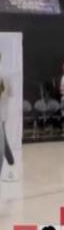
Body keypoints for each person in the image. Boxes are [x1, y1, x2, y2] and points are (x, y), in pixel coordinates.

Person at [0, 53, 16, 182]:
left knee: (2, 140)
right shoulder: (6, 74)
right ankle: (11, 161)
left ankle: (10, 162)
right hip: (3, 111)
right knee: (2, 138)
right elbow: (11, 93)